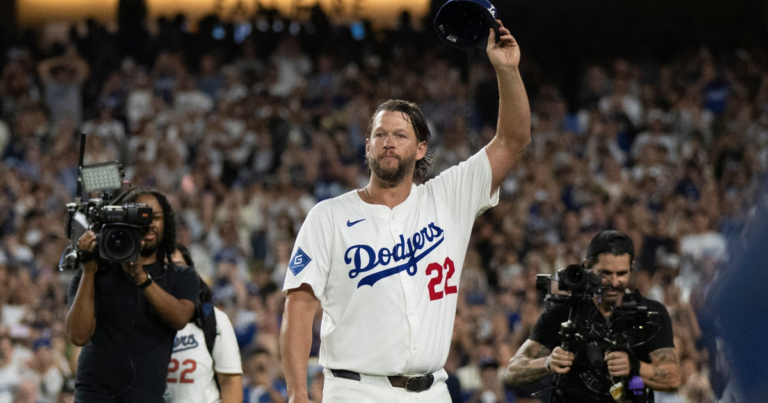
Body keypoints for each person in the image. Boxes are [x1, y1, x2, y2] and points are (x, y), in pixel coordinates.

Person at [280, 20, 531, 403]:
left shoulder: (448, 198)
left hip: (432, 390)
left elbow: (513, 141)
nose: (388, 143)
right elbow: (299, 306)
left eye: (400, 135)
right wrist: (298, 393)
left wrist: (507, 70)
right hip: (355, 390)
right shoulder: (328, 216)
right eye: (380, 135)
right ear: (367, 147)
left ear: (420, 149)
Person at [505, 231, 682, 402]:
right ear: (587, 266)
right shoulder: (564, 312)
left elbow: (673, 378)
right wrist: (548, 362)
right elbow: (513, 371)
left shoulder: (649, 312)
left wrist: (634, 366)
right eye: (605, 273)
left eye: (621, 273)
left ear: (631, 268)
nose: (614, 282)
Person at [65, 188, 199, 402]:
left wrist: (141, 276)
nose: (148, 224)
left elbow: (180, 318)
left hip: (146, 397)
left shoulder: (181, 275)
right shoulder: (94, 274)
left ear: (166, 224)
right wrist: (89, 271)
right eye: (140, 217)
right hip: (94, 395)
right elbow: (78, 336)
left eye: (155, 217)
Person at [165, 244, 243, 403]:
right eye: (164, 268)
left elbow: (230, 383)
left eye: (179, 267)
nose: (172, 274)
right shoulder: (137, 321)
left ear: (191, 275)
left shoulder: (213, 320)